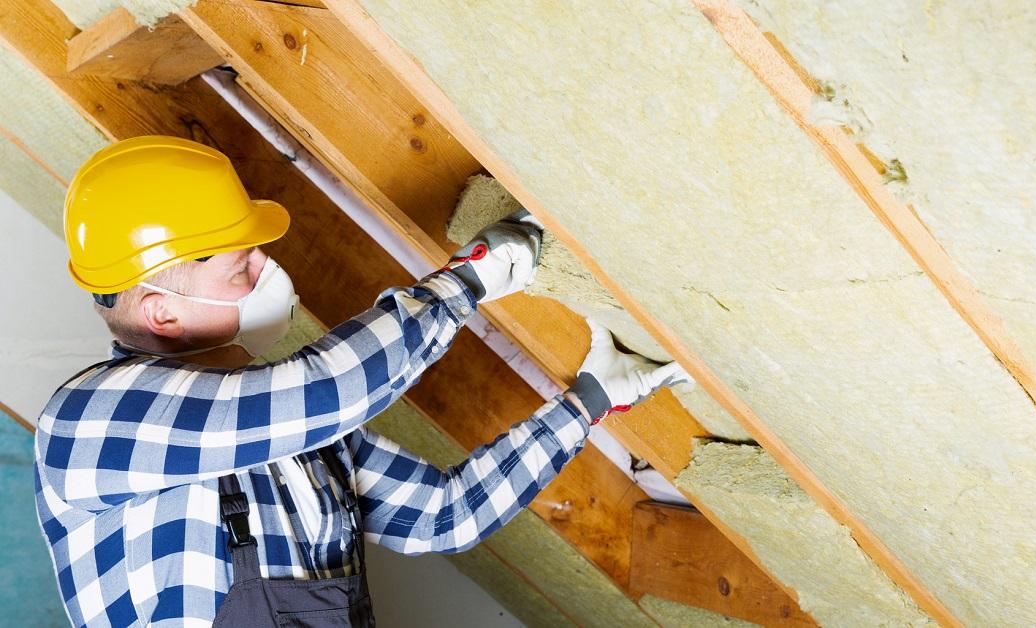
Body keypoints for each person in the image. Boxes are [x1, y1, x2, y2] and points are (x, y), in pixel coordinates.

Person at [34, 136, 688, 627]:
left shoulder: (296, 436)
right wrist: (468, 281)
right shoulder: (87, 425)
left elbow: (442, 515)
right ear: (163, 313)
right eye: (241, 264)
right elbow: (328, 392)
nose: (263, 264)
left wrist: (586, 404)